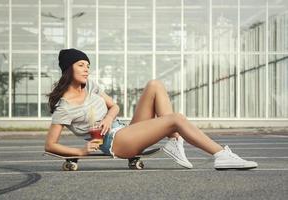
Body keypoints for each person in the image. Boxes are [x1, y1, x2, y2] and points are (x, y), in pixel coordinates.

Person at [45, 48, 258, 170]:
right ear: (68, 68)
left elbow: (115, 106)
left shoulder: (90, 86)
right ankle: (220, 155)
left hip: (123, 129)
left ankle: (174, 142)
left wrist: (109, 117)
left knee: (155, 84)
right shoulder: (65, 106)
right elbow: (50, 145)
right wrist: (80, 151)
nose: (87, 69)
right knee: (175, 119)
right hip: (115, 143)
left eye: (88, 65)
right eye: (81, 65)